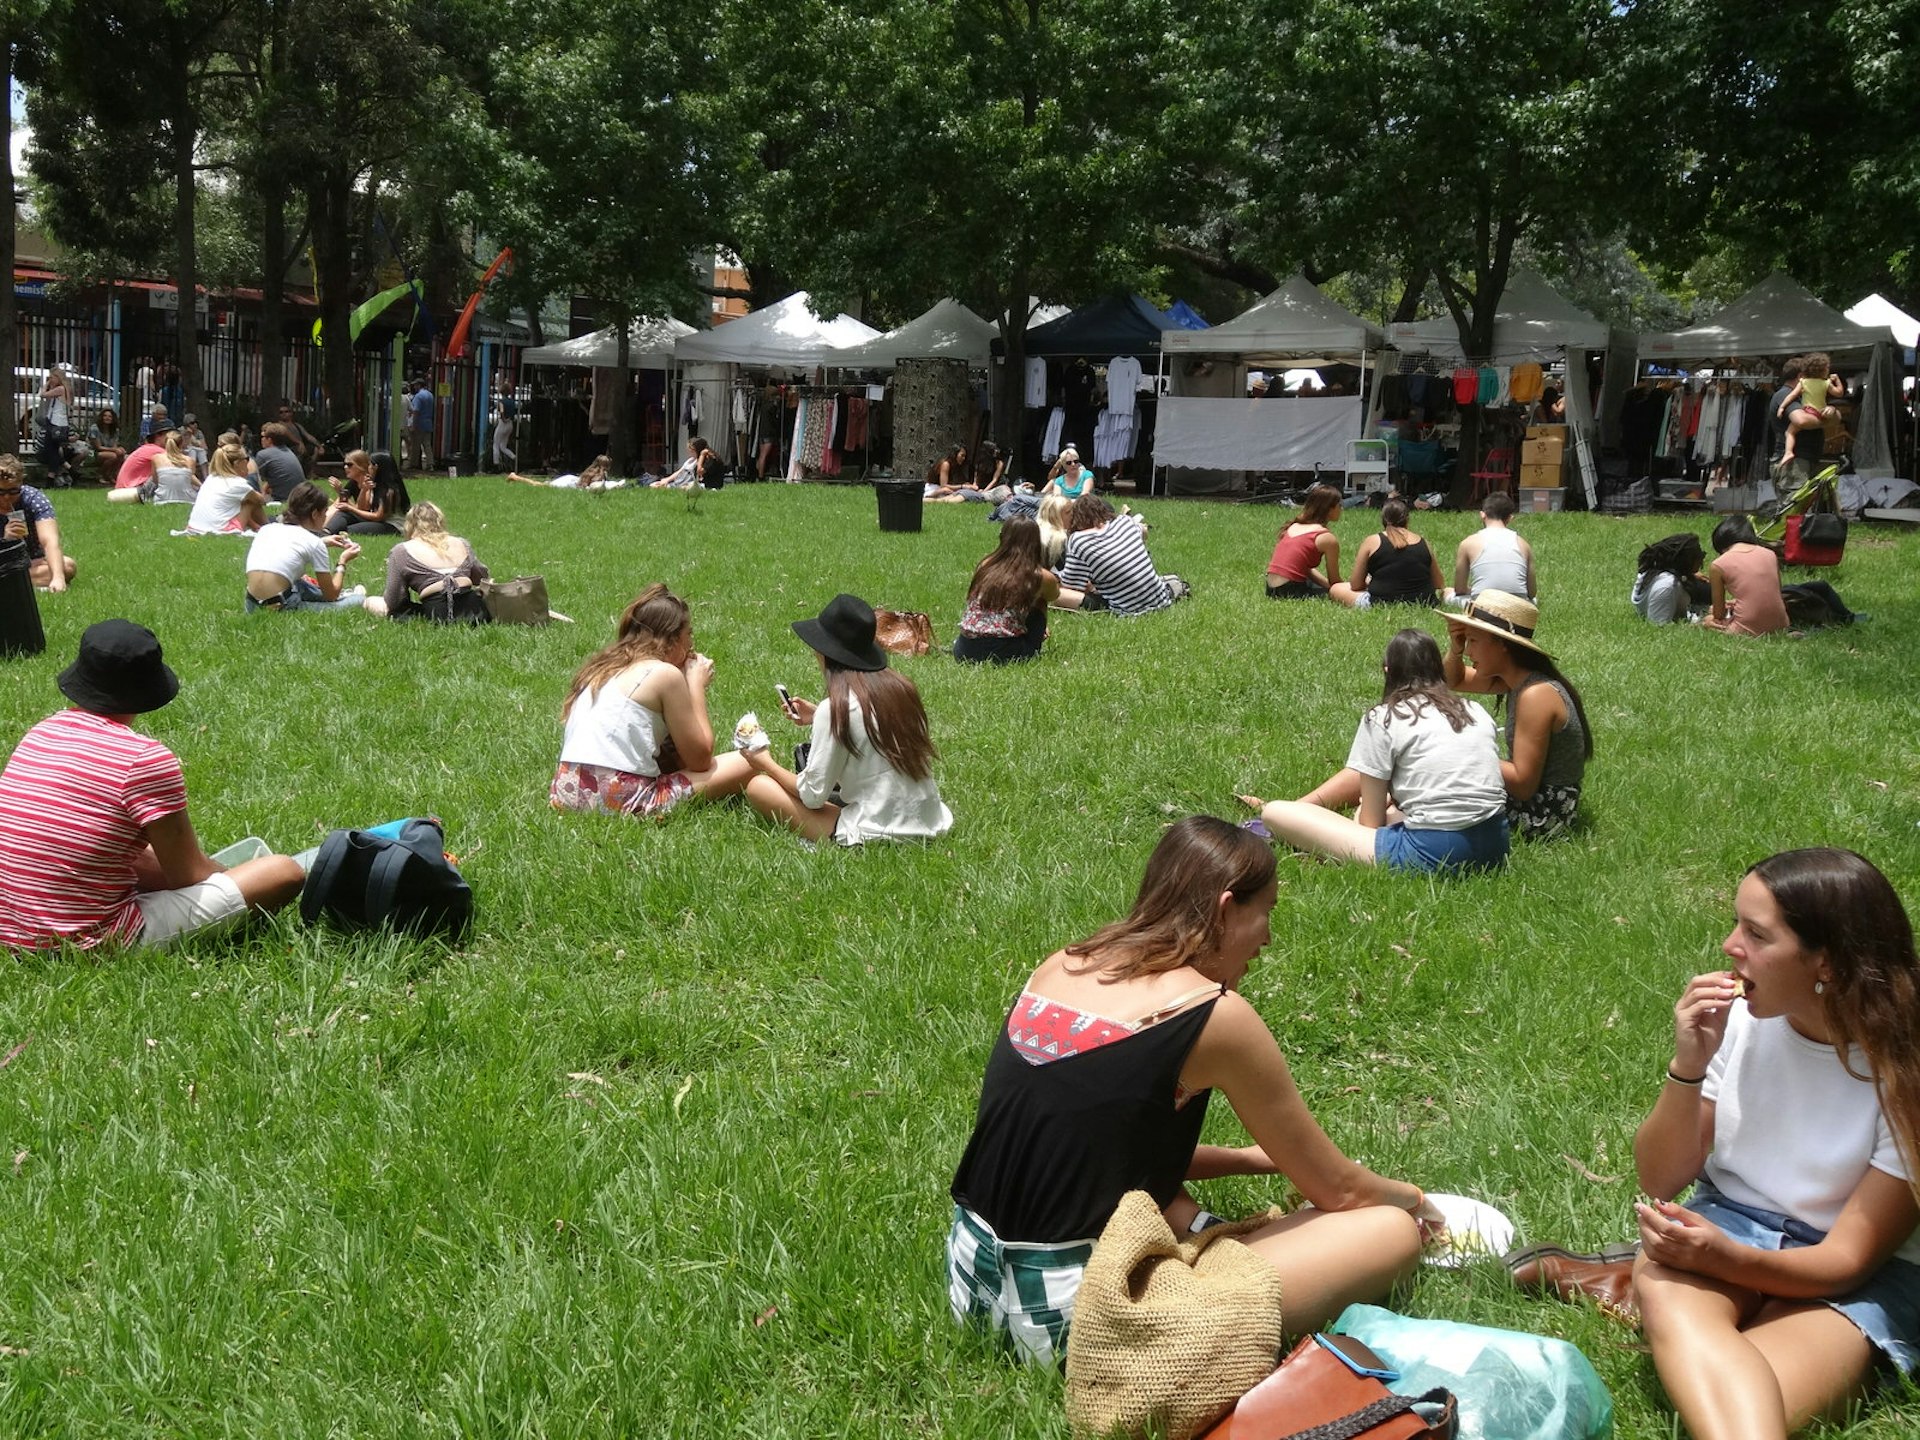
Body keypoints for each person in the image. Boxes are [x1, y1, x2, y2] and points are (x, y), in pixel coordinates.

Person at [947, 816, 1440, 1362]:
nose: (1269, 938)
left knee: (1171, 1198)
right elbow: (1340, 1191)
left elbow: (1101, 1145)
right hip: (1077, 1323)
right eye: (1266, 912)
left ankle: (1204, 1239)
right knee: (1389, 1232)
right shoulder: (1211, 1014)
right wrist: (1417, 1201)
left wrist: (1257, 1160)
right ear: (1227, 907)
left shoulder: (1063, 964)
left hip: (973, 1280)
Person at [1632, 848, 1920, 1440]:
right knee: (1728, 1393)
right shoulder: (1744, 1019)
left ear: (1828, 964)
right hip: (1732, 1223)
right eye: (1737, 923)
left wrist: (1721, 1260)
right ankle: (1666, 1296)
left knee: (1743, 1416)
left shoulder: (1905, 1070)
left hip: (1860, 1277)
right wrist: (1688, 1066)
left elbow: (1848, 1261)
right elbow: (1660, 1179)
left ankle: (1637, 1291)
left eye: (1756, 934)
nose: (1729, 946)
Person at [0, 620, 305, 951]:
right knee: (282, 872)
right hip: (82, 940)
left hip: (11, 926)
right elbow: (188, 875)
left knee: (137, 847)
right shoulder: (143, 759)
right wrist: (229, 874)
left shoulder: (42, 732)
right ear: (146, 689)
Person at [1251, 630, 1508, 873]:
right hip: (1495, 845)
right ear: (1438, 671)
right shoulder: (1475, 710)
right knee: (1393, 815)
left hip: (1434, 854)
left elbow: (1370, 823)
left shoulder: (1383, 718)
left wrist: (1362, 811)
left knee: (1275, 812)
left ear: (1388, 672)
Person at [741, 594, 953, 844]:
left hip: (877, 831)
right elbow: (871, 731)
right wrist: (817, 715)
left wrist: (765, 762)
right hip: (929, 820)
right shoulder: (901, 689)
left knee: (759, 787)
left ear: (823, 652)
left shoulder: (835, 710)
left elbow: (812, 795)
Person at [550, 584, 755, 817]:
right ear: (672, 639)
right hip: (619, 798)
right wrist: (696, 684)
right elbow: (700, 760)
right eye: (689, 635)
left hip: (565, 793)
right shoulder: (664, 674)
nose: (691, 645)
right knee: (748, 762)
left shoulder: (599, 670)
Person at [1442, 591, 1592, 841]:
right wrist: (1454, 650)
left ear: (1501, 643)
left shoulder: (1536, 695)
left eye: (1473, 641)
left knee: (1433, 780)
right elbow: (1452, 680)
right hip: (1536, 803)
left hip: (1543, 815)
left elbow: (1523, 785)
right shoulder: (1516, 680)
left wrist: (1464, 752)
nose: (1468, 651)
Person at [954, 518, 1069, 664]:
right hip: (1006, 654)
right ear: (1035, 541)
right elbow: (1054, 595)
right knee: (1040, 600)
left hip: (964, 650)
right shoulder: (1039, 576)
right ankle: (1032, 645)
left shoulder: (985, 565)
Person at [242, 481, 366, 613]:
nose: (325, 517)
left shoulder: (267, 529)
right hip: (282, 605)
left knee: (299, 584)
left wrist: (323, 541)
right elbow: (331, 595)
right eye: (324, 512)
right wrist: (342, 562)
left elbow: (286, 547)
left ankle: (338, 595)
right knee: (358, 600)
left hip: (252, 604)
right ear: (314, 514)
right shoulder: (313, 542)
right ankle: (350, 597)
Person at [1057, 495, 1185, 615]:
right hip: (1161, 600)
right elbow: (1144, 532)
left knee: (1057, 593)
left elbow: (1071, 585)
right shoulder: (1125, 521)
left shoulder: (1078, 540)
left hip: (1128, 609)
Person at [366, 502, 491, 623]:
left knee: (371, 602)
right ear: (440, 521)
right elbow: (482, 577)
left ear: (410, 524)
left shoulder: (402, 550)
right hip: (475, 611)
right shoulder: (461, 543)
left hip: (437, 613)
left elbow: (394, 601)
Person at [1265, 483, 1357, 602]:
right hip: (1291, 590)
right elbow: (1334, 581)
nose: (1341, 509)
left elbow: (1305, 569)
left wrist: (1329, 586)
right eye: (1339, 505)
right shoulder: (1326, 538)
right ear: (1329, 509)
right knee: (1338, 595)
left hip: (1271, 588)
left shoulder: (1294, 526)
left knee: (1324, 588)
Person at [1347, 497, 1446, 607]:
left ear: (1383, 519)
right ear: (1407, 520)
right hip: (1424, 601)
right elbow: (1439, 583)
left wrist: (1371, 581)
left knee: (1336, 588)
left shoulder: (1372, 541)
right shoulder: (1424, 542)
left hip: (1381, 601)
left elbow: (1355, 585)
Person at [1704, 516, 1790, 637]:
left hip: (1746, 627)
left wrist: (1709, 621)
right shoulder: (1770, 554)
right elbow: (1775, 594)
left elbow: (1719, 615)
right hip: (1781, 623)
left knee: (1710, 617)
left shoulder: (1718, 565)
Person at [0, 454, 75, 591]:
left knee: (67, 566)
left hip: (31, 562)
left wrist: (58, 578)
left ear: (21, 484)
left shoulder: (32, 498)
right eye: (1, 492)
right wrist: (6, 540)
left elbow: (50, 541)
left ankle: (12, 582)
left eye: (13, 491)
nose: (6, 497)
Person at [1449, 492, 1536, 606]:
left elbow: (1459, 590)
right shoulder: (1523, 544)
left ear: (1482, 515)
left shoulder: (1468, 543)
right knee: (1533, 601)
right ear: (1510, 518)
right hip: (1518, 605)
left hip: (1483, 604)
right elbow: (1532, 592)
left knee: (1447, 593)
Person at [181, 442, 269, 536]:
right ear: (237, 463)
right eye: (246, 459)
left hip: (196, 527)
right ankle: (267, 526)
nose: (248, 462)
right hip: (221, 530)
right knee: (250, 501)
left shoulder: (211, 478)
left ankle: (259, 527)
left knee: (242, 501)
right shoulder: (237, 483)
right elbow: (261, 500)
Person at [1778, 352, 1845, 466]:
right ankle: (1788, 453)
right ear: (1824, 370)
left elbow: (1792, 396)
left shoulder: (1803, 383)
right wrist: (1837, 380)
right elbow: (1839, 393)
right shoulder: (1826, 383)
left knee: (1790, 432)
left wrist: (1782, 407)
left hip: (1808, 410)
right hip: (1820, 411)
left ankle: (1788, 452)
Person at [1632, 533, 1710, 625]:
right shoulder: (1667, 587)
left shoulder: (1651, 571)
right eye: (1701, 555)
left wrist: (1689, 574)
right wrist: (1703, 624)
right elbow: (1659, 626)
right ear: (1687, 561)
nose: (1702, 559)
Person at [326, 450, 409, 535]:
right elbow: (363, 508)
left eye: (369, 464)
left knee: (347, 530)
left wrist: (350, 508)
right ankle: (325, 531)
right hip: (376, 521)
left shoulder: (389, 490)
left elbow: (378, 516)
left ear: (376, 467)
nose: (367, 467)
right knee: (342, 515)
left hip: (391, 525)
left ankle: (327, 533)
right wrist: (364, 489)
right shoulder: (373, 483)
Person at [106, 419, 174, 502]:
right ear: (158, 436)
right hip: (133, 490)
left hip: (123, 490)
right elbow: (180, 464)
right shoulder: (157, 451)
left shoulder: (148, 448)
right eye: (170, 435)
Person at [37, 364, 74, 486]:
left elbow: (42, 394)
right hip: (58, 423)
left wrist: (46, 384)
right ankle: (69, 469)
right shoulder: (64, 389)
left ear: (58, 378)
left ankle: (51, 478)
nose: (50, 379)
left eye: (52, 377)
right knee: (53, 450)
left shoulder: (60, 389)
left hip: (55, 423)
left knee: (50, 450)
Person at [251, 423, 308, 502]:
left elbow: (252, 479)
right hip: (299, 497)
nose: (261, 439)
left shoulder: (264, 455)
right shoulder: (288, 451)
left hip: (282, 499)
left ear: (269, 440)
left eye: (263, 437)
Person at [507, 455, 624, 490]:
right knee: (540, 485)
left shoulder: (592, 470)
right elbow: (587, 485)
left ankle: (515, 477)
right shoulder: (598, 474)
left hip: (570, 479)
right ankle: (515, 477)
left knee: (544, 484)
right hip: (570, 483)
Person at [148, 432, 199, 505]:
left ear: (166, 443)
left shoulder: (156, 458)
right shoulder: (190, 461)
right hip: (188, 499)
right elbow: (189, 480)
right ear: (181, 444)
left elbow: (156, 480)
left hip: (162, 499)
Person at [649, 437, 714, 490]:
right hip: (679, 481)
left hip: (688, 483)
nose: (689, 452)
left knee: (684, 488)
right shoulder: (690, 460)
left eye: (691, 451)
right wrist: (667, 479)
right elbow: (679, 472)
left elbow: (699, 473)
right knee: (653, 485)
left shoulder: (702, 461)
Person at [272, 403, 321, 471]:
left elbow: (308, 436)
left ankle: (310, 470)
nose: (284, 414)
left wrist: (319, 446)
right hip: (285, 448)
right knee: (299, 450)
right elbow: (286, 433)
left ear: (291, 413)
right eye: (281, 412)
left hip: (300, 447)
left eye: (286, 411)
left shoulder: (297, 425)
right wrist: (299, 443)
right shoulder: (278, 426)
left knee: (315, 449)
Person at [87, 407, 128, 485]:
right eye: (105, 416)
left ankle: (112, 475)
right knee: (113, 456)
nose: (107, 418)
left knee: (121, 453)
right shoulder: (95, 428)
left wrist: (119, 449)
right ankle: (102, 475)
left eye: (110, 416)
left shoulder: (115, 430)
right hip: (93, 452)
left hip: (108, 451)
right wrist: (115, 450)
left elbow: (114, 446)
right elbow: (98, 447)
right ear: (101, 417)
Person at [402, 379, 435, 473]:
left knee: (415, 445)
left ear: (419, 385)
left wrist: (413, 425)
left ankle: (414, 464)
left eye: (416, 385)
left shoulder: (418, 396)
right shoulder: (430, 395)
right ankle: (430, 464)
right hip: (428, 423)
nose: (414, 387)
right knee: (427, 445)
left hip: (419, 424)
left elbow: (415, 411)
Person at [491, 376, 518, 472]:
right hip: (510, 424)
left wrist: (503, 418)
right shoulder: (512, 402)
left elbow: (502, 412)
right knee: (503, 446)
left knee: (496, 445)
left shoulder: (501, 402)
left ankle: (496, 465)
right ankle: (514, 458)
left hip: (503, 423)